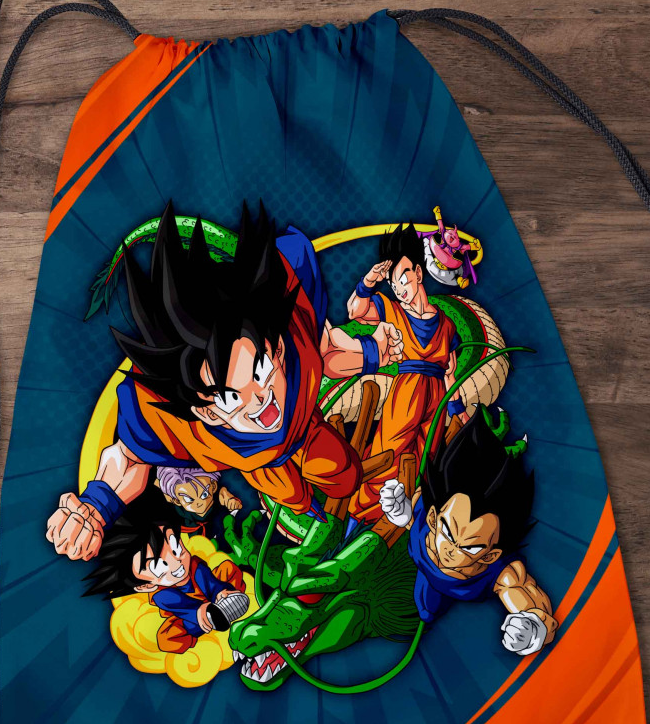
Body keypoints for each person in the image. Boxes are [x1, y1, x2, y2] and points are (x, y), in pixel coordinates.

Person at [46, 202, 403, 561]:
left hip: (306, 427)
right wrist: (96, 508)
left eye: (259, 369)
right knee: (292, 496)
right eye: (231, 396)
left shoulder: (290, 323)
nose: (259, 398)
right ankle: (311, 512)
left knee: (343, 474)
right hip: (258, 465)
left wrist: (371, 353)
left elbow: (324, 349)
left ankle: (339, 504)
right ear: (206, 411)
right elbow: (128, 458)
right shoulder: (172, 415)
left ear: (276, 348)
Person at [379, 406, 555, 655]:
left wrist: (533, 626)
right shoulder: (425, 514)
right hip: (425, 578)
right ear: (434, 519)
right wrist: (402, 512)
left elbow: (522, 592)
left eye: (470, 547)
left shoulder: (497, 571)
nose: (451, 549)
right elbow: (413, 519)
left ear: (490, 555)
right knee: (426, 608)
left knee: (428, 611)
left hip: (455, 587)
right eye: (448, 533)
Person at [347, 222, 463, 524]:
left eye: (403, 279)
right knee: (387, 455)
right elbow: (355, 310)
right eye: (393, 284)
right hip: (406, 393)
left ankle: (406, 523)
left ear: (419, 273)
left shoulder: (446, 324)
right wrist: (369, 281)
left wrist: (459, 412)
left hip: (436, 399)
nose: (399, 289)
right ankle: (357, 521)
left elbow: (450, 373)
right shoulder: (391, 310)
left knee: (425, 462)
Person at [83, 485, 249, 654]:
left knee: (228, 569)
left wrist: (219, 592)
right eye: (159, 566)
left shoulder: (194, 567)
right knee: (167, 638)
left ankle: (225, 599)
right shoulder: (162, 595)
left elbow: (208, 580)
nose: (176, 563)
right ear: (144, 585)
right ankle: (208, 618)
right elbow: (180, 605)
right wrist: (200, 613)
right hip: (190, 614)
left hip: (212, 595)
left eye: (176, 547)